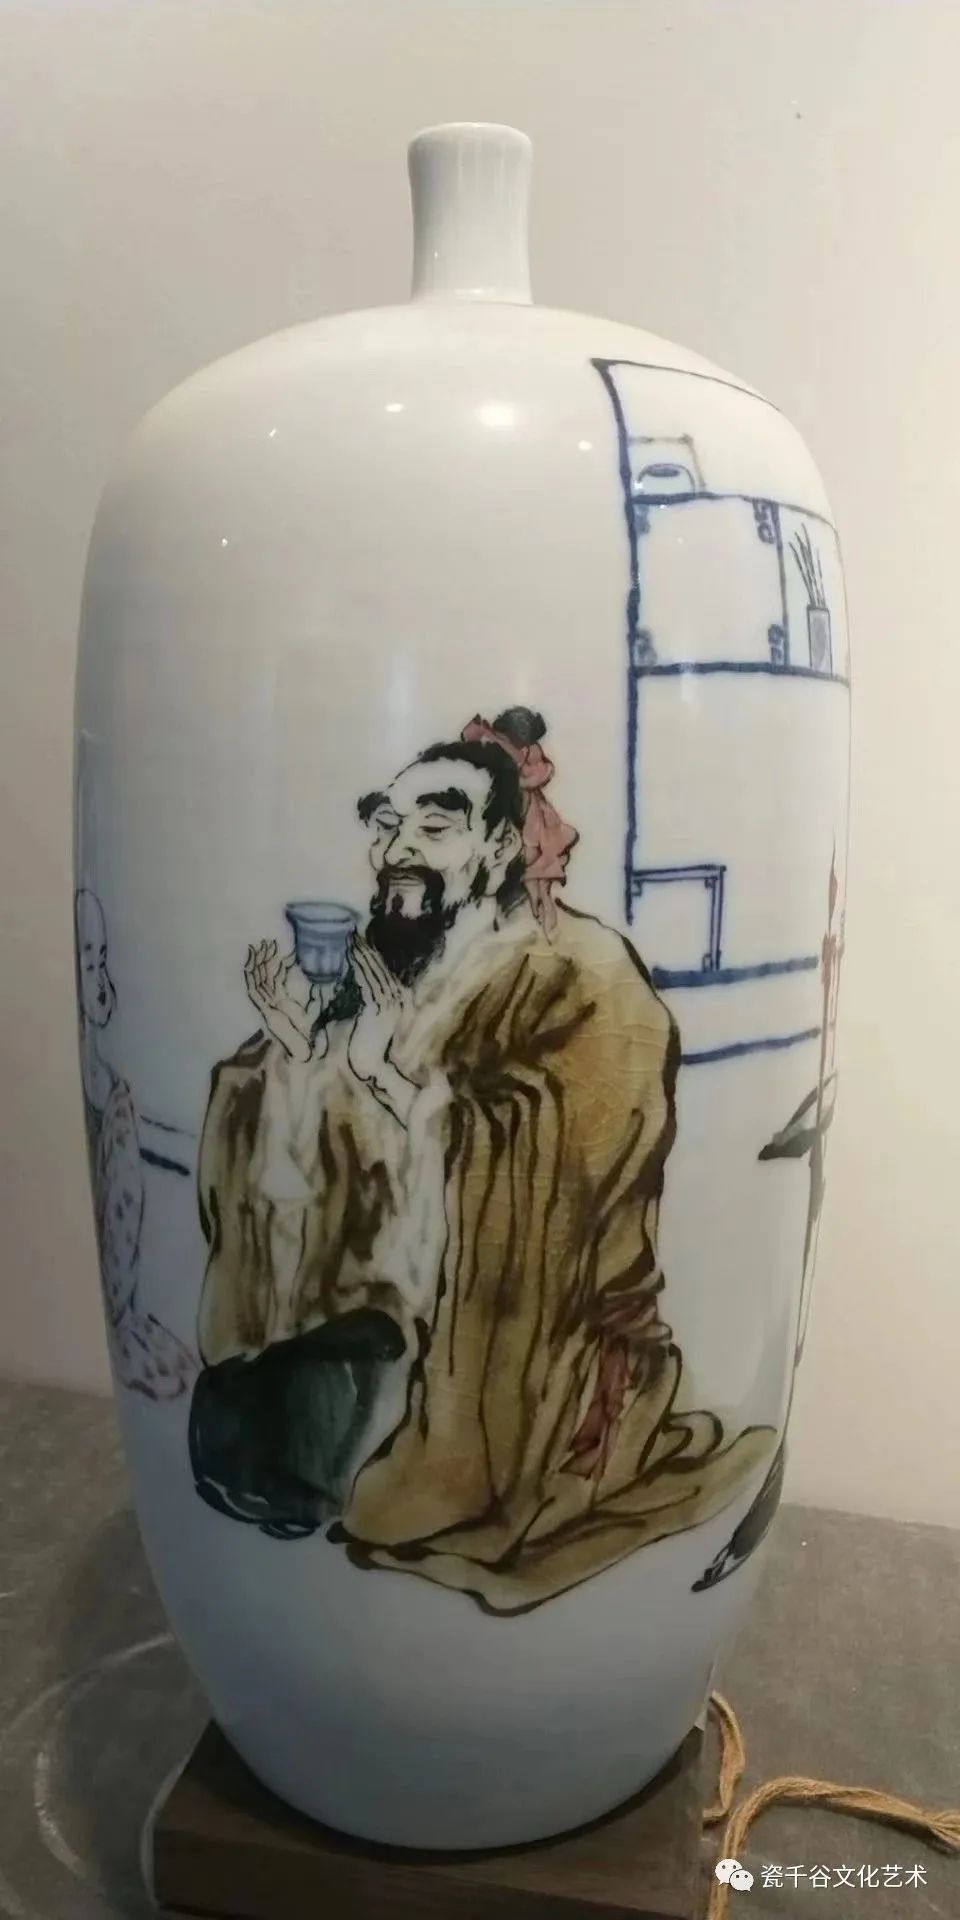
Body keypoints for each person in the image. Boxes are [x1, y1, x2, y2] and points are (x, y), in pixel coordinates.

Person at [190, 710, 770, 1610]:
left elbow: (565, 1158)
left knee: (379, 1480)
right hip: (379, 1297)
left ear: (500, 848)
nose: (398, 849)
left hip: (518, 1333)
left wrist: (395, 1085)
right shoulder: (392, 966)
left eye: (433, 826)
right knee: (245, 1433)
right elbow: (334, 1141)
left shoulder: (585, 973)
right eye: (387, 824)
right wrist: (301, 1060)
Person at [75, 888, 195, 1399]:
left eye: (103, 961)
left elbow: (147, 1138)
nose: (103, 984)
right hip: (126, 1302)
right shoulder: (106, 1084)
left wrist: (202, 1153)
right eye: (90, 963)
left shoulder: (111, 1083)